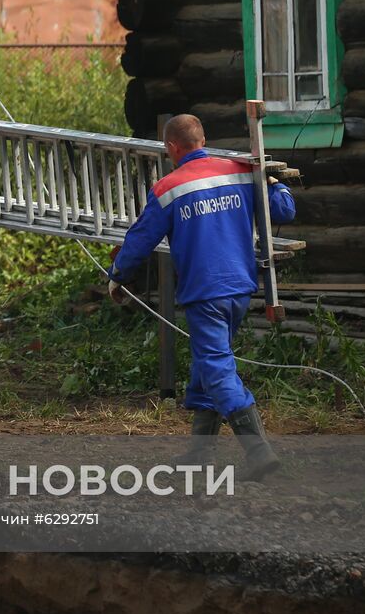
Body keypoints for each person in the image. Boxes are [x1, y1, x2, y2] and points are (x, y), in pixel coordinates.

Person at [107, 114, 296, 480]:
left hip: (204, 291)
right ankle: (199, 454)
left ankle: (259, 451)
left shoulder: (168, 188)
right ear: (204, 138)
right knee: (207, 365)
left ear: (171, 148)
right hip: (240, 287)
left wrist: (118, 277)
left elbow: (141, 239)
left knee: (216, 367)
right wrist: (275, 183)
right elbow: (284, 211)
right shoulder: (240, 172)